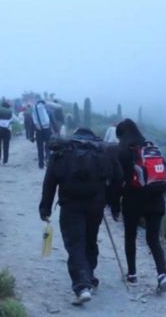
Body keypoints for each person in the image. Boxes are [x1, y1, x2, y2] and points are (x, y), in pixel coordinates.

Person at [39, 128, 122, 305]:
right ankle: (89, 276)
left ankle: (81, 285)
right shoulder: (102, 152)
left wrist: (45, 207)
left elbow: (50, 182)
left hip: (70, 205)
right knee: (90, 239)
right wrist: (113, 203)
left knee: (75, 243)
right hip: (96, 205)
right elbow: (117, 177)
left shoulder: (62, 152)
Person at [113, 118, 166, 292]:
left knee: (130, 236)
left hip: (133, 200)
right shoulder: (151, 148)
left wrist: (114, 203)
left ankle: (132, 274)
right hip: (156, 199)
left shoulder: (124, 151)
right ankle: (162, 275)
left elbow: (118, 180)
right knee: (153, 240)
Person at [32, 99, 53, 169]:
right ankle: (48, 159)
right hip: (46, 129)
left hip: (38, 130)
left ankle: (41, 164)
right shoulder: (44, 108)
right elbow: (48, 119)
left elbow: (33, 121)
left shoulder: (34, 109)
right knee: (48, 145)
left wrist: (36, 126)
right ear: (43, 103)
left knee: (39, 147)